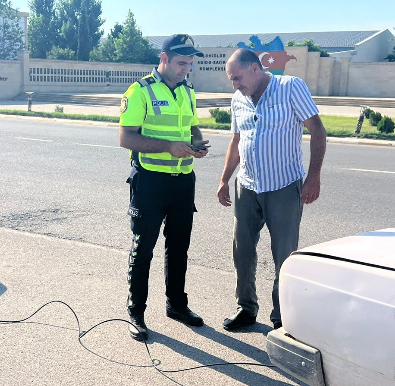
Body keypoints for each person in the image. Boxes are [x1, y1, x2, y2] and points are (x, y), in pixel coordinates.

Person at [217, 48, 326, 331]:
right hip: (248, 185)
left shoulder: (290, 87)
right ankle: (246, 307)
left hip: (283, 186)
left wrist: (313, 176)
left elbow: (317, 129)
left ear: (255, 68)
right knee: (242, 251)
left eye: (238, 78)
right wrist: (224, 179)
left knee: (285, 255)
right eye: (231, 80)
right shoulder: (238, 99)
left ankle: (282, 318)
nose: (235, 85)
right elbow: (236, 141)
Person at [119, 34, 209, 341]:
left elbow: (192, 124)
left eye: (190, 64)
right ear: (164, 58)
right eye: (181, 63)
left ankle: (177, 305)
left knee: (179, 246)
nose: (186, 69)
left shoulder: (188, 90)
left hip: (183, 181)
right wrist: (167, 146)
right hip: (150, 181)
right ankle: (135, 310)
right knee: (143, 247)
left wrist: (197, 142)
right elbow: (126, 138)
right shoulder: (140, 91)